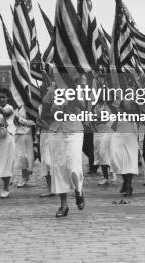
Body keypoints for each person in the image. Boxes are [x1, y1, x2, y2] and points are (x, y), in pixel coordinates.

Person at [44, 72, 85, 218]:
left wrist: (71, 96)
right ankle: (63, 205)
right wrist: (54, 113)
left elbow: (84, 106)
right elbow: (43, 114)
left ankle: (78, 190)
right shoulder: (51, 90)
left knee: (73, 165)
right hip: (56, 132)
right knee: (58, 168)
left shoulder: (78, 89)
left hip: (74, 130)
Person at [14, 103, 35, 188]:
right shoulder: (14, 108)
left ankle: (26, 174)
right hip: (17, 133)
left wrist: (19, 119)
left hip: (27, 133)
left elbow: (32, 122)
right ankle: (24, 176)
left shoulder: (28, 107)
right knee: (20, 155)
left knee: (27, 154)